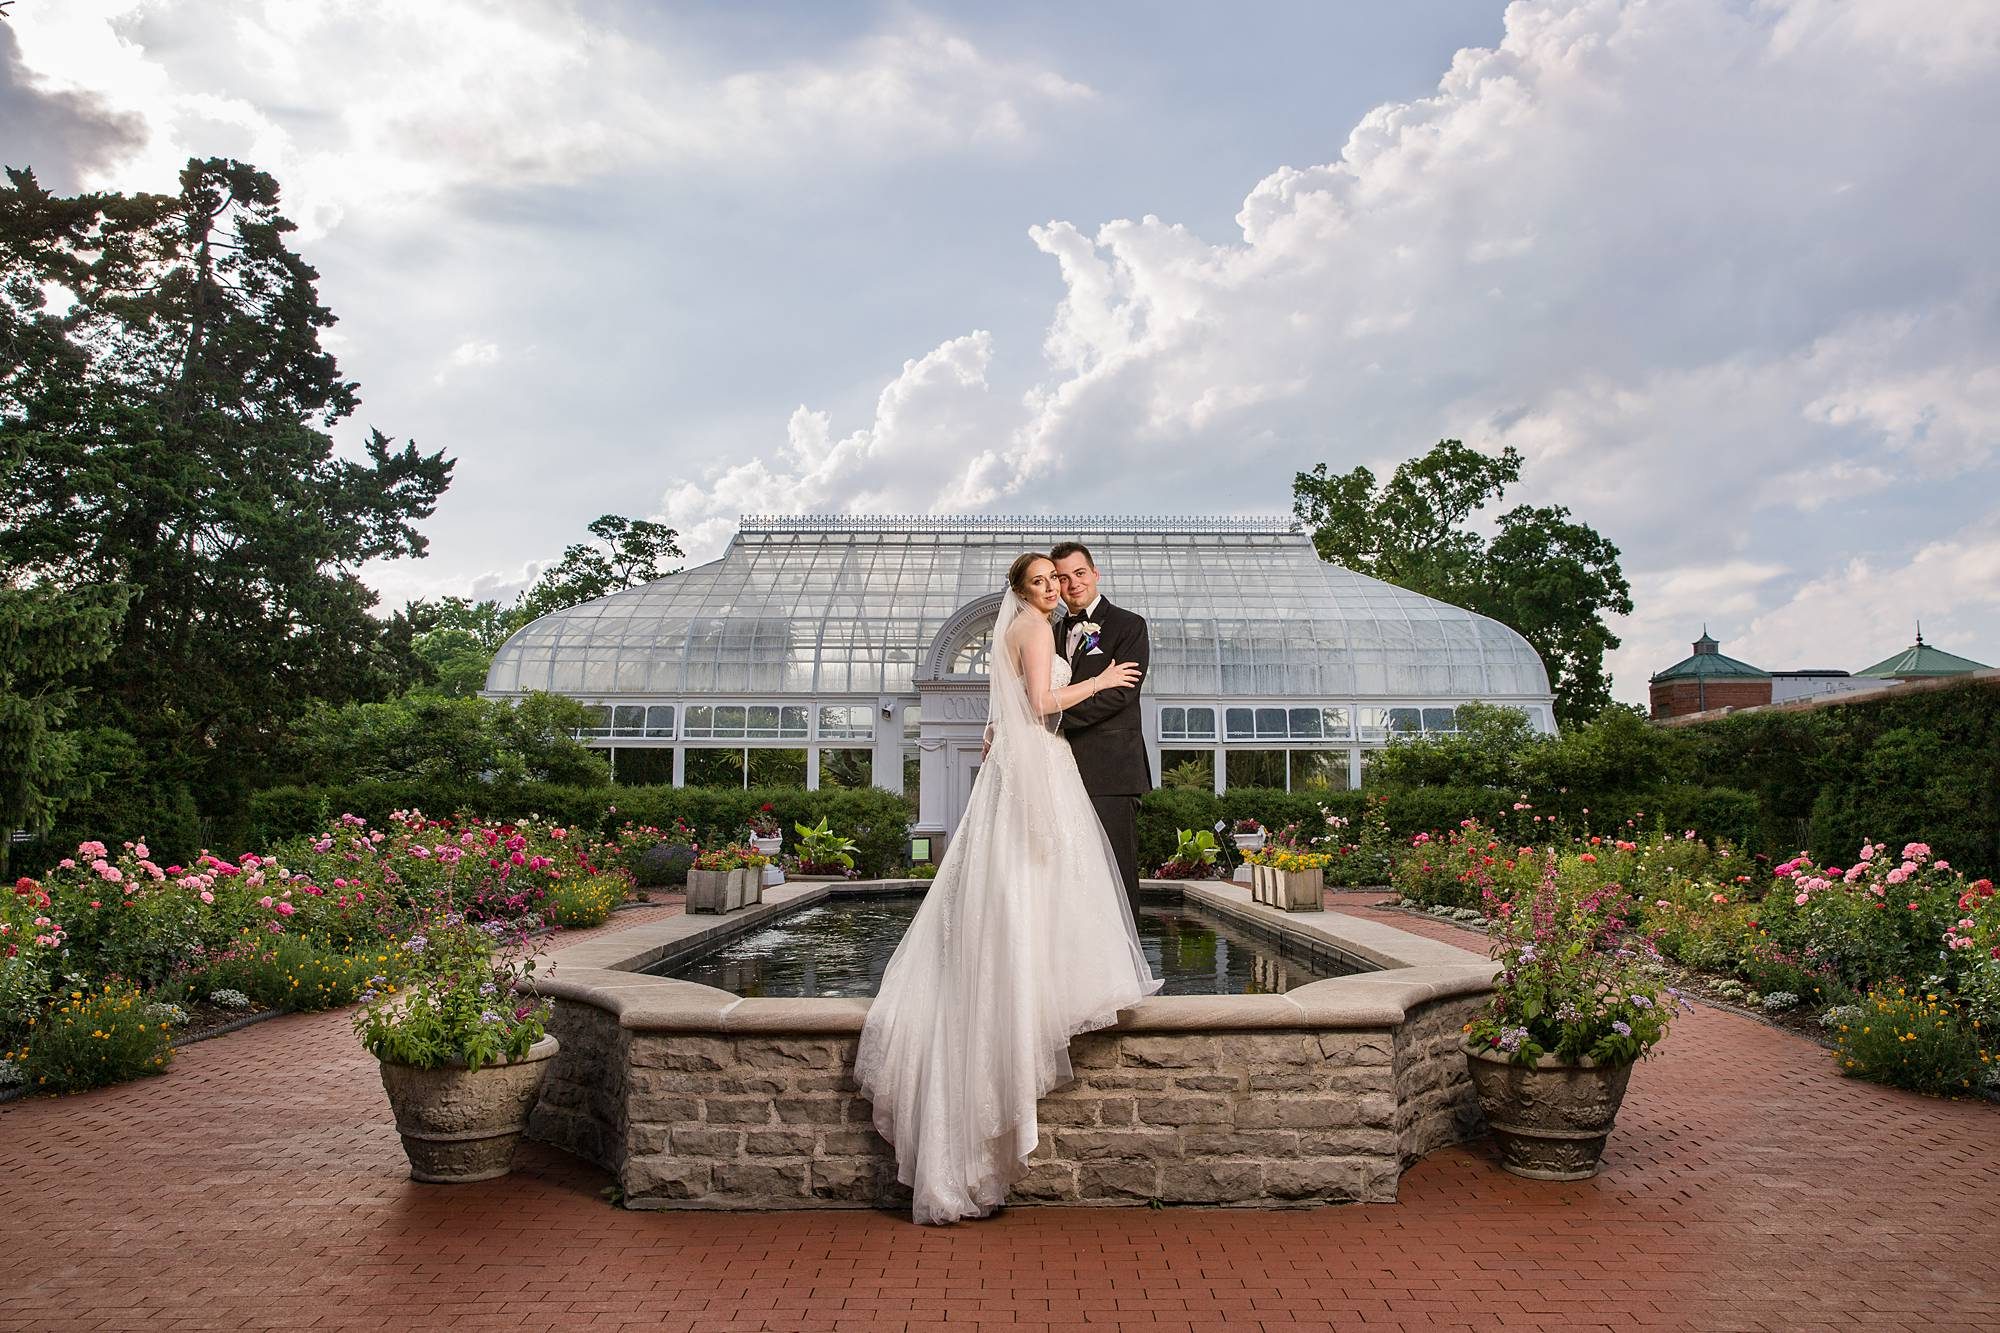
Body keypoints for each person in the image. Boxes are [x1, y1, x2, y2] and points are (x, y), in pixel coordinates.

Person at [854, 552, 1163, 1224]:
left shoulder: (1108, 626)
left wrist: (1023, 718)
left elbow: (1044, 702)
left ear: (1089, 577)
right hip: (1045, 759)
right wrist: (1079, 689)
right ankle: (1036, 986)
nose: (1058, 586)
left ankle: (1048, 973)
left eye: (1064, 577)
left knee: (1046, 876)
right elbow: (1042, 699)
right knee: (1034, 872)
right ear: (1023, 590)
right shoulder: (1034, 628)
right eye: (1046, 580)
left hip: (1060, 762)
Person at [1049, 541, 1150, 928]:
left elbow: (1120, 694)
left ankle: (1128, 969)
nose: (1072, 583)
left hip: (1111, 771)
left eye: (1079, 573)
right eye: (1062, 577)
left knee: (1117, 872)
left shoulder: (1129, 625)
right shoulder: (1051, 632)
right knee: (1071, 873)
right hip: (1059, 768)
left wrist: (1054, 721)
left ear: (1095, 574)